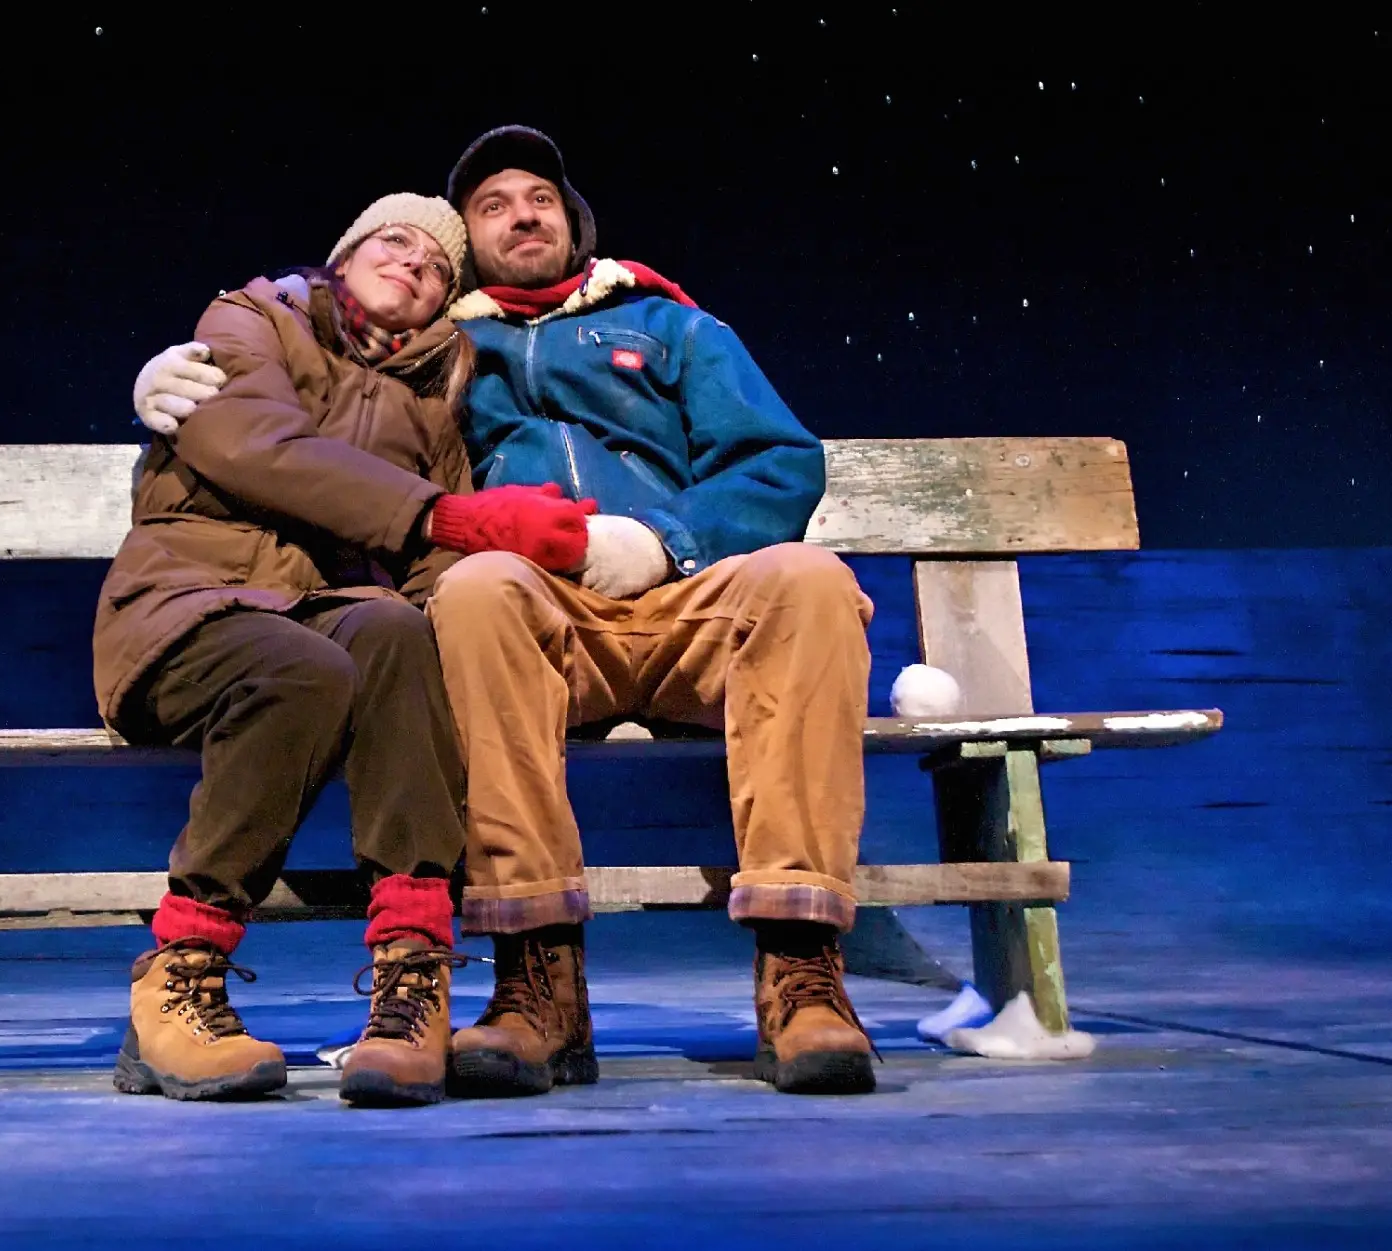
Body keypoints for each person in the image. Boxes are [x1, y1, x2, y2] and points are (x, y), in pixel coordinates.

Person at [131, 128, 880, 1097]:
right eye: (491, 207)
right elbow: (328, 417)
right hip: (538, 614)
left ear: (575, 224)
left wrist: (666, 541)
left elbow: (778, 461)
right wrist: (167, 376)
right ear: (465, 254)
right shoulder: (443, 356)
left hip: (690, 603)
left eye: (541, 200)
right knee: (476, 591)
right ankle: (536, 982)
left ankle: (803, 975)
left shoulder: (675, 327)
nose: (522, 216)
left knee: (810, 579)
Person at [95, 192, 597, 1106]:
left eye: (437, 267)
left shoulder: (434, 406)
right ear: (348, 252)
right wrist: (445, 515)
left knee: (402, 633)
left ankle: (413, 970)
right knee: (305, 666)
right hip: (188, 605)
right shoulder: (251, 317)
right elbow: (256, 444)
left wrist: (535, 583)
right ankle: (181, 969)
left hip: (325, 612)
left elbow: (431, 569)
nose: (414, 262)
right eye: (394, 241)